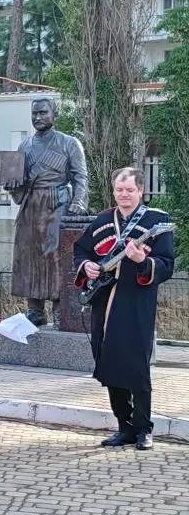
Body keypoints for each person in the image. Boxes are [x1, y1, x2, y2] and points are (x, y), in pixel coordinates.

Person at [74, 167, 175, 451]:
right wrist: (87, 266)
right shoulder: (102, 220)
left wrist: (143, 261)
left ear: (140, 190)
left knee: (137, 367)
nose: (124, 195)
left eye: (130, 190)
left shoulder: (157, 221)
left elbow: (166, 264)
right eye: (119, 190)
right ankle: (124, 427)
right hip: (103, 304)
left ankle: (143, 429)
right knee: (109, 363)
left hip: (136, 303)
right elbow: (81, 250)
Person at [2, 98, 88, 326]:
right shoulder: (25, 146)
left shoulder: (69, 143)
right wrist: (12, 185)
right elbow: (18, 182)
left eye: (43, 112)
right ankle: (35, 310)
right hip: (31, 206)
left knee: (56, 257)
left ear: (54, 115)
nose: (38, 117)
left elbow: (80, 177)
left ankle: (61, 310)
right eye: (34, 113)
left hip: (57, 204)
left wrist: (79, 202)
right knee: (28, 257)